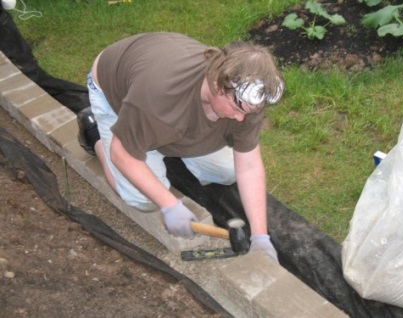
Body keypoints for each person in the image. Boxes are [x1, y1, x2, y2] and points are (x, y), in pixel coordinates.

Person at [77, 32, 284, 262]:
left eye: (248, 112)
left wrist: (260, 236)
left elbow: (249, 165)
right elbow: (121, 152)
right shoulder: (161, 96)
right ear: (217, 83)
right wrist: (169, 205)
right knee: (141, 199)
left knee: (228, 171)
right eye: (237, 109)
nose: (239, 119)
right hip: (117, 93)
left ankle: (157, 141)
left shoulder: (247, 100)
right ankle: (94, 133)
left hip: (160, 100)